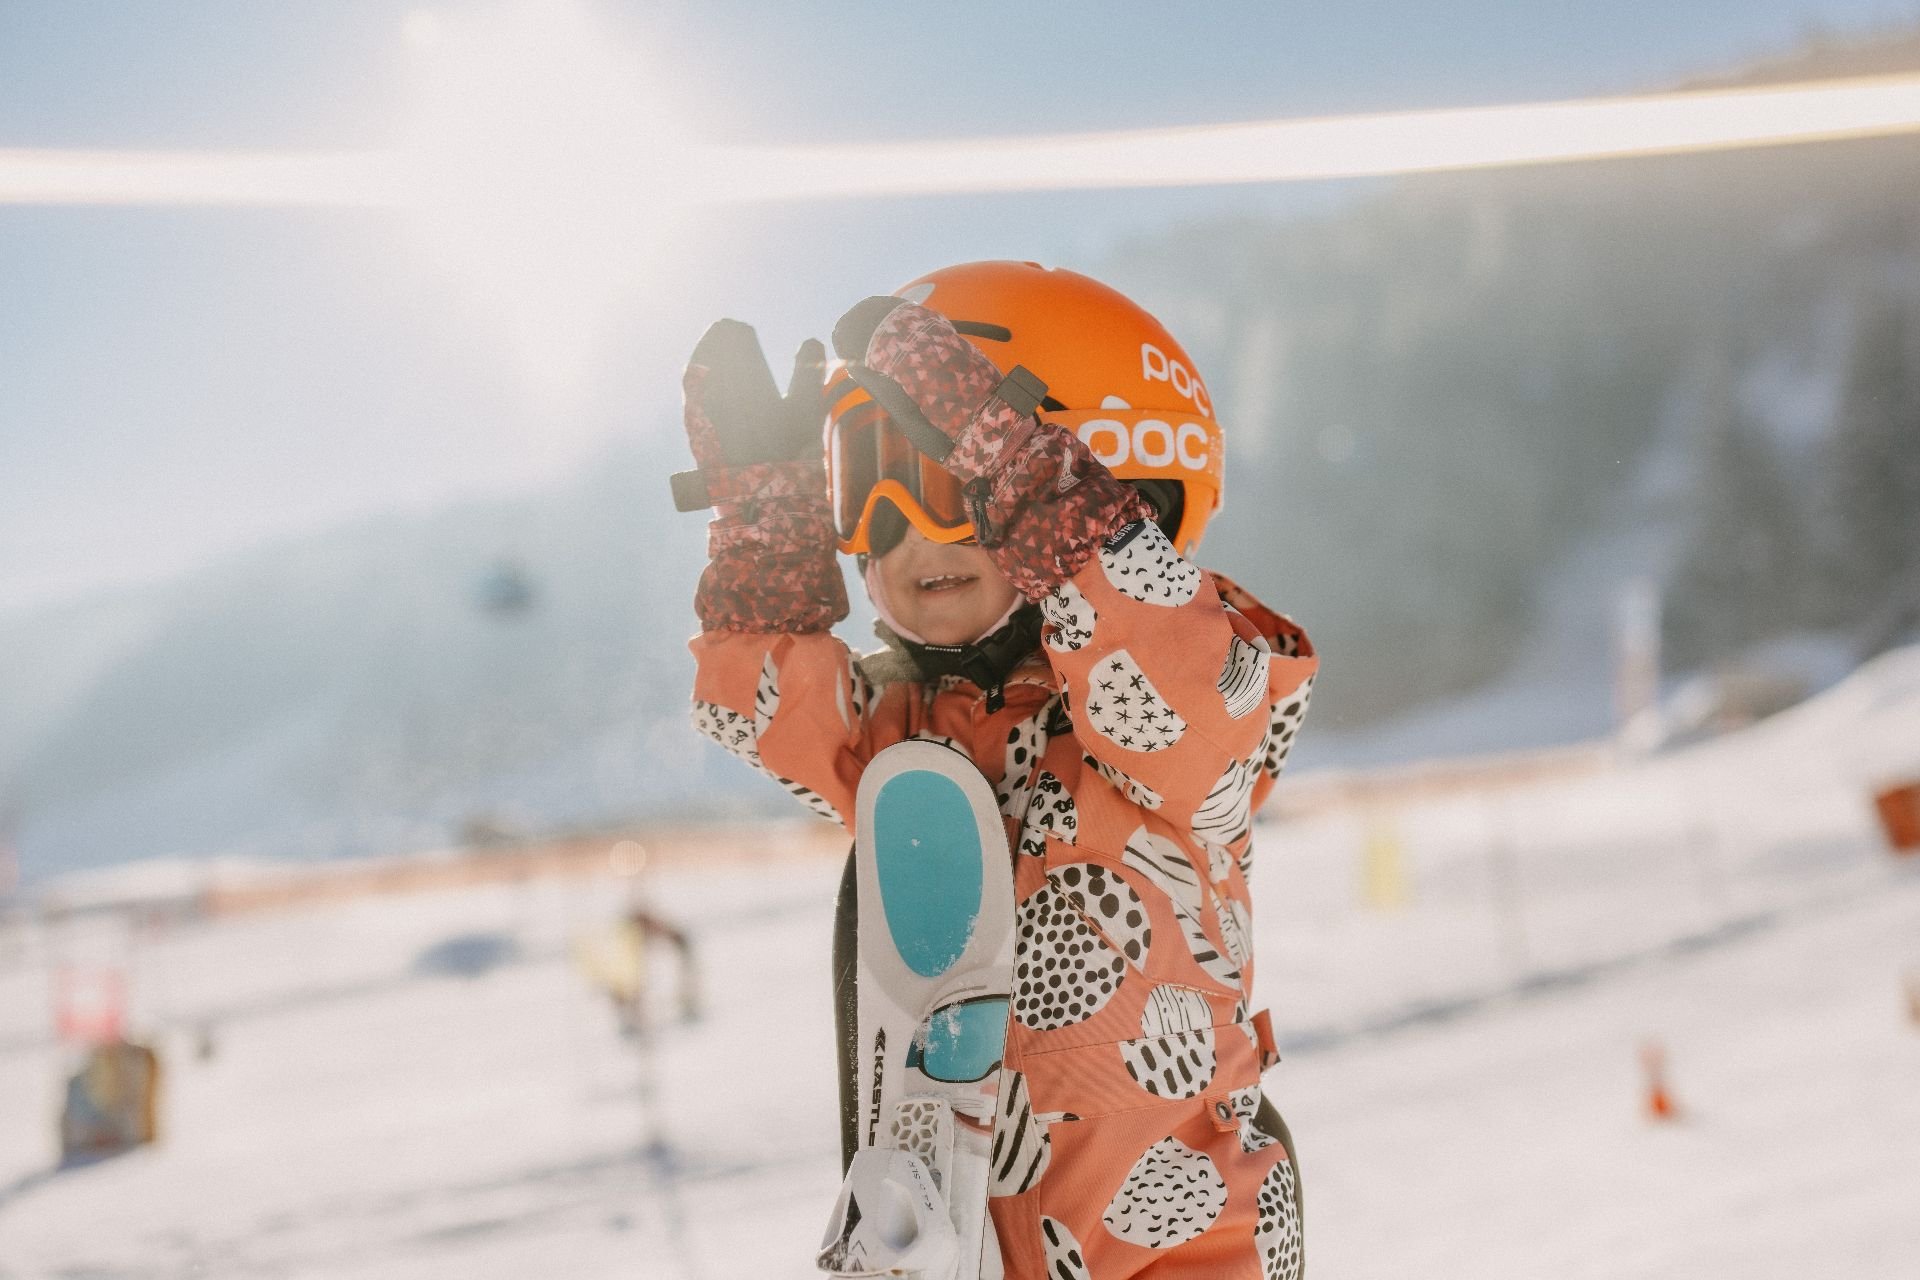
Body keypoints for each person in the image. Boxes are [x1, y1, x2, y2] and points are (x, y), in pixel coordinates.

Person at [678, 261, 1316, 1279]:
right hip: (960, 1244)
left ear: (1096, 479)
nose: (903, 526)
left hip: (1176, 1250)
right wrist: (763, 542)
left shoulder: (1182, 709)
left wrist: (1042, 498)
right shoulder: (903, 726)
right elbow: (767, 713)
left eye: (939, 474)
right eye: (865, 489)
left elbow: (1174, 685)